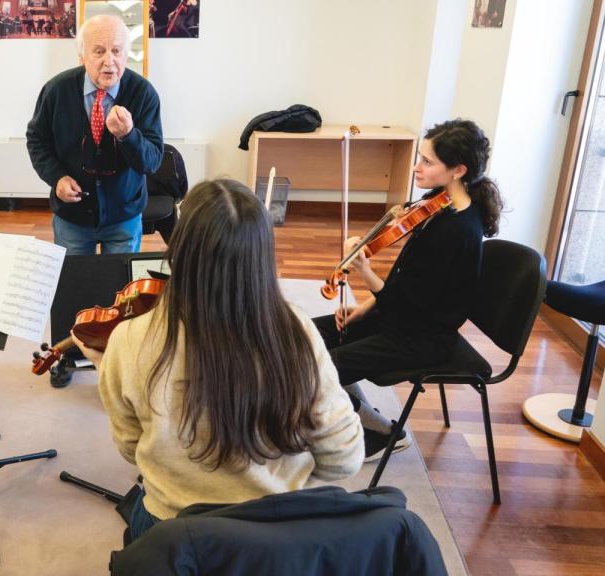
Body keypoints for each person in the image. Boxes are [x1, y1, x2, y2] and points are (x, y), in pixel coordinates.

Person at [73, 179, 364, 542]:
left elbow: (133, 450)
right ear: (261, 254)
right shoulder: (296, 331)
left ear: (179, 248)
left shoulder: (128, 340)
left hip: (173, 531)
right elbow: (345, 459)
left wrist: (108, 370)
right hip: (276, 534)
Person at [312, 119, 504, 462]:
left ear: (458, 170)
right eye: (420, 157)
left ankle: (380, 431)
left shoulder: (456, 230)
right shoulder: (440, 203)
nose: (417, 167)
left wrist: (365, 271)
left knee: (312, 369)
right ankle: (350, 414)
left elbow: (410, 305)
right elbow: (407, 279)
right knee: (302, 336)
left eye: (427, 162)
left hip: (420, 337)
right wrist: (365, 308)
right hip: (398, 317)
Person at [27, 14, 163, 255]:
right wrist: (57, 177)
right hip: (73, 217)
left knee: (121, 288)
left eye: (117, 51)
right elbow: (37, 140)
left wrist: (128, 135)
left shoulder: (143, 93)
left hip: (124, 215)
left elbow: (152, 161)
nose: (109, 61)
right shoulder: (56, 90)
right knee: (77, 284)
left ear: (126, 54)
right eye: (99, 51)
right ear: (82, 56)